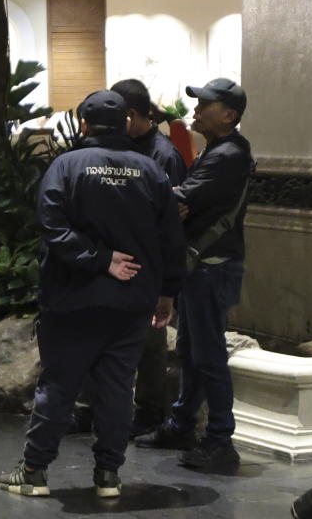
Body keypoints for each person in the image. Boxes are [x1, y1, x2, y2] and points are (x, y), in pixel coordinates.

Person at [0, 90, 184, 498]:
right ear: (125, 123)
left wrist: (100, 260)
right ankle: (108, 477)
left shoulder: (65, 166)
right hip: (132, 302)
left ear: (84, 123)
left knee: (60, 386)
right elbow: (172, 237)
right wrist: (167, 291)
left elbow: (52, 228)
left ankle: (34, 473)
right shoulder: (151, 171)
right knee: (118, 390)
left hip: (73, 299)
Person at [136, 78, 253, 470]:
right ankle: (182, 424)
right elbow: (182, 202)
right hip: (201, 266)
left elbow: (180, 199)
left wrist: (168, 199)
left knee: (209, 355)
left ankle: (220, 440)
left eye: (206, 104)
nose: (197, 110)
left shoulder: (228, 155)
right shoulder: (216, 150)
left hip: (212, 267)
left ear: (229, 115)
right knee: (192, 351)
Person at [68, 79, 189, 438]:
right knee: (93, 337)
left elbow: (171, 221)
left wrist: (166, 282)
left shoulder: (163, 155)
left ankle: (149, 412)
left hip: (143, 267)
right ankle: (89, 408)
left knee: (150, 343)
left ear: (132, 116)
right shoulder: (97, 150)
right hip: (103, 262)